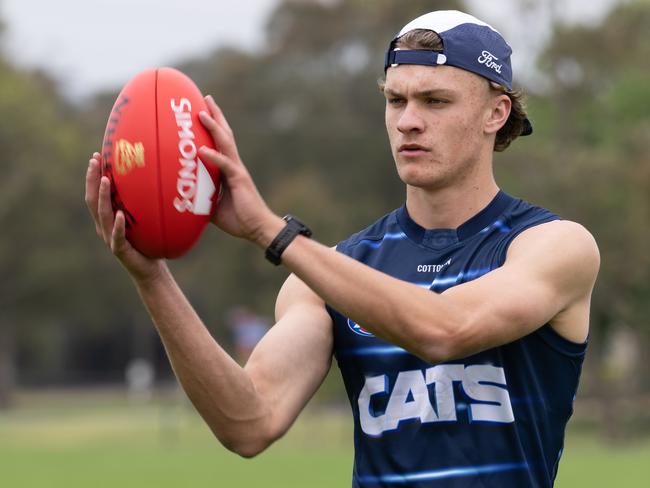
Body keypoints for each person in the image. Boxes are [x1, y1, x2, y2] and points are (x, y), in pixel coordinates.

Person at [85, 10, 599, 488]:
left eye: (435, 101)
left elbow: (445, 330)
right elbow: (249, 423)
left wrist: (272, 231)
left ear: (496, 113)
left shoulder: (553, 246)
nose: (407, 121)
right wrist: (150, 277)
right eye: (396, 100)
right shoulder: (331, 272)